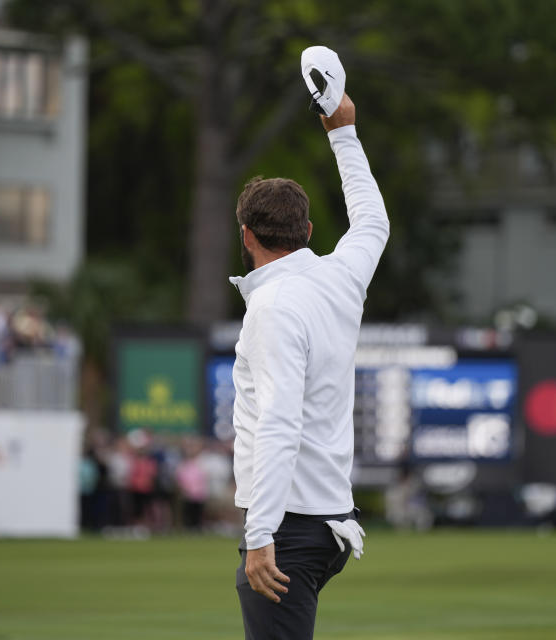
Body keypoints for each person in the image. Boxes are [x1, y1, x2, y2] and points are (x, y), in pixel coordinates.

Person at [230, 92, 387, 640]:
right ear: (309, 232)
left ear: (246, 236)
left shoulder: (272, 307)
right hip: (325, 517)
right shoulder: (339, 278)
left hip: (290, 526)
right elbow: (372, 223)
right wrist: (342, 131)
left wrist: (260, 532)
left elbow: (278, 423)